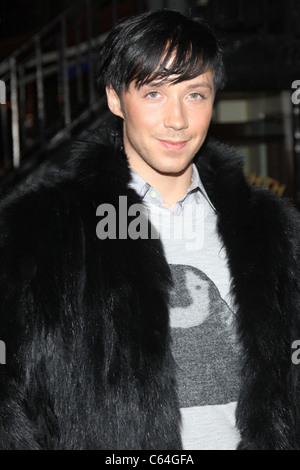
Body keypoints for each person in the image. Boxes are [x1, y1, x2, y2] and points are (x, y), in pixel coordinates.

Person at [0, 9, 300, 451]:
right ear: (116, 99)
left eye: (195, 95)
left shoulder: (274, 231)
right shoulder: (39, 232)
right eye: (154, 93)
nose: (177, 119)